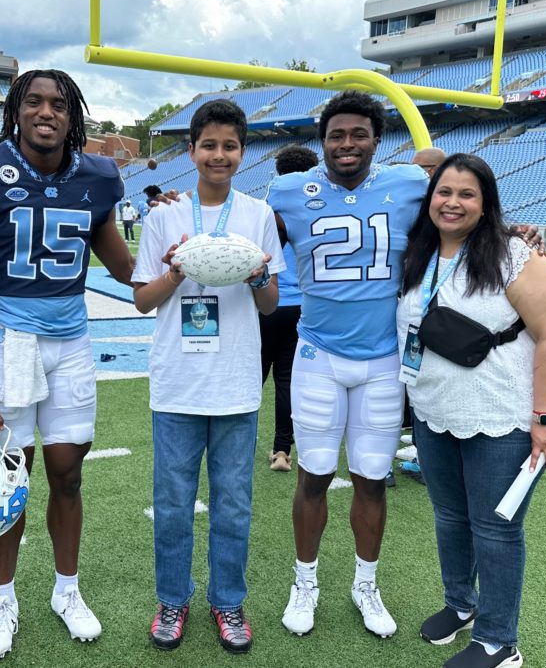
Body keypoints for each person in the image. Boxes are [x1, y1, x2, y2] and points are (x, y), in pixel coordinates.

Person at [0, 69, 134, 661]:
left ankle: (66, 591)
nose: (46, 112)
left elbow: (128, 269)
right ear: (17, 110)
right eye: (35, 102)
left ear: (73, 114)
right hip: (12, 343)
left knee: (69, 473)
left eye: (58, 104)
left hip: (73, 341)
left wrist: (178, 229)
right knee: (10, 479)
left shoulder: (99, 176)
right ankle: (4, 598)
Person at [265, 90, 429, 639]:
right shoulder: (290, 190)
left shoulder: (407, 183)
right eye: (337, 134)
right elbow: (248, 236)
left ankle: (365, 584)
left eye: (359, 133)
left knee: (373, 480)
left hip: (383, 359)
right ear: (322, 142)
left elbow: (462, 208)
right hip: (317, 355)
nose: (347, 144)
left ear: (377, 139)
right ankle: (304, 582)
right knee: (312, 476)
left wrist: (512, 233)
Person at [397, 153, 546, 668]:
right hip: (433, 412)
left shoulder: (514, 255)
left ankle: (499, 642)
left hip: (503, 419)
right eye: (443, 191)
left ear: (486, 202)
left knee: (495, 530)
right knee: (450, 517)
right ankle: (461, 604)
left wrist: (544, 418)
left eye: (466, 194)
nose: (452, 202)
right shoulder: (418, 253)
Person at [133, 99, 283, 653]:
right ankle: (173, 597)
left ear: (243, 153)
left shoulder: (258, 216)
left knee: (234, 503)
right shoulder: (163, 214)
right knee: (172, 502)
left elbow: (269, 306)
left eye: (230, 145)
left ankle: (228, 603)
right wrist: (176, 270)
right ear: (192, 150)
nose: (219, 155)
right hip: (176, 383)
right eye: (209, 145)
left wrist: (256, 274)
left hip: (236, 385)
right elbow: (143, 302)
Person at [263, 144, 317, 472]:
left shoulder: (268, 209)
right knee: (286, 380)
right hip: (301, 306)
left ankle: (237, 444)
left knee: (252, 376)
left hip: (266, 301)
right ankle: (282, 450)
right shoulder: (319, 208)